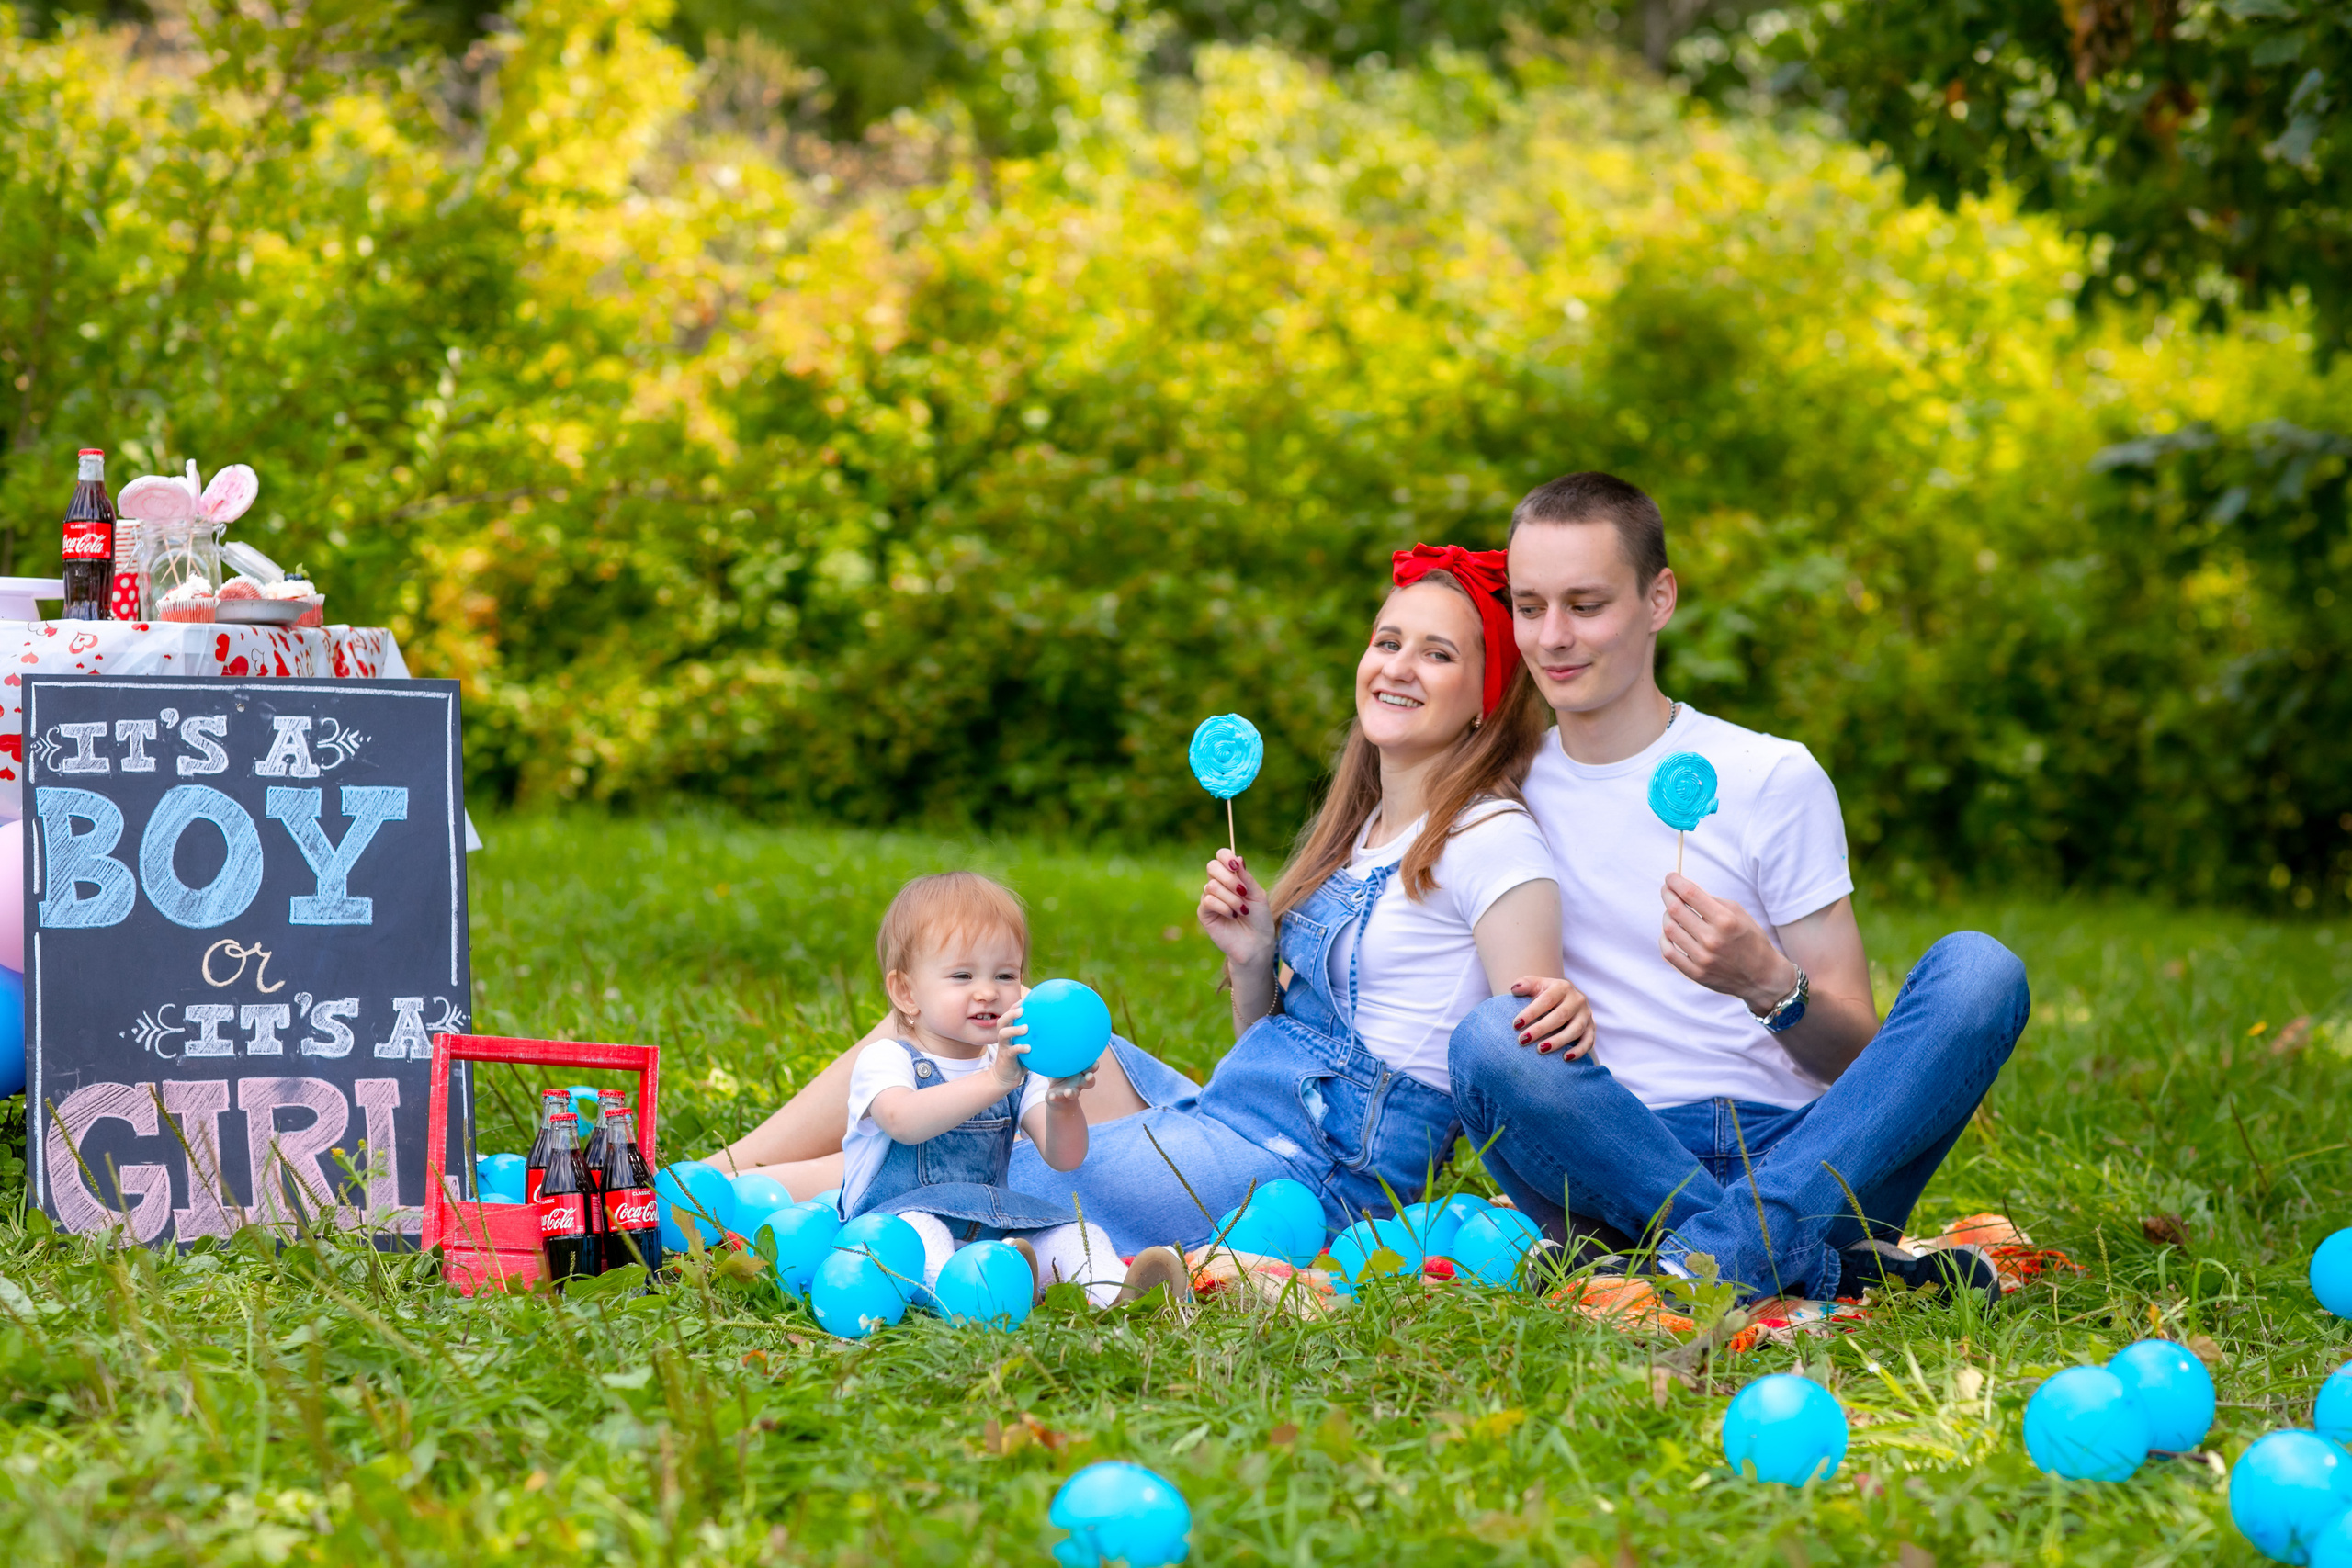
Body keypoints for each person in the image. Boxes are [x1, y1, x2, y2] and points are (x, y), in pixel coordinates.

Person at [715, 546, 1592, 1257]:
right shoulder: (1362, 831)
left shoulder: (1489, 840)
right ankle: (719, 1165)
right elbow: (1273, 1050)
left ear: (1483, 699)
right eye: (1386, 640)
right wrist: (1253, 959)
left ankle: (678, 1211)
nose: (1397, 666)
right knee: (996, 1022)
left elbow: (1516, 1067)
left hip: (1302, 1178)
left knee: (988, 1146)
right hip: (1227, 1112)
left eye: (1437, 653)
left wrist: (1552, 1225)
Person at [1445, 471, 2031, 1306]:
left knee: (1982, 971)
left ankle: (1706, 1260)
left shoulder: (1770, 774)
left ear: (1659, 599)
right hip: (1615, 1150)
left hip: (1815, 1148)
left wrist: (1769, 983)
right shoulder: (1501, 794)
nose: (1553, 637)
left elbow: (1862, 1064)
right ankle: (1814, 1264)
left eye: (1586, 603)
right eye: (1530, 606)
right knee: (1490, 1039)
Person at [835, 871, 1190, 1306]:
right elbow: (903, 1121)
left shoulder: (1016, 1067)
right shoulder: (888, 1058)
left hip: (990, 1224)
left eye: (1005, 976)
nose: (987, 992)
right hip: (890, 1223)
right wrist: (995, 1081)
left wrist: (1064, 1104)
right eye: (962, 976)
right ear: (906, 992)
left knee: (1074, 1233)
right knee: (920, 1232)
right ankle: (969, 1291)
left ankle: (1119, 1291)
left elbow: (1065, 1157)